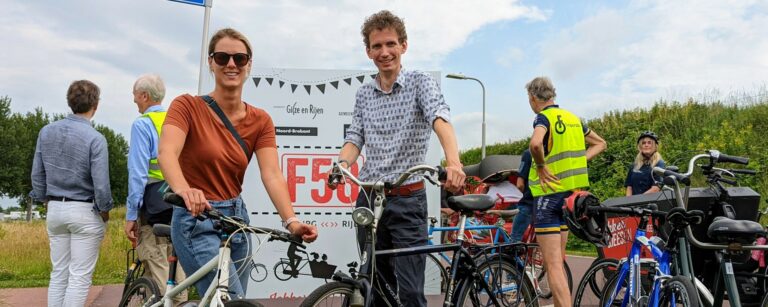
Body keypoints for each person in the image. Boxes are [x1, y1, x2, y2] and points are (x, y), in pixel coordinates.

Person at [157, 28, 318, 298]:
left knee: (235, 298)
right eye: (222, 57)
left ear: (249, 65)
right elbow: (167, 152)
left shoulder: (260, 120)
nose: (231, 64)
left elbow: (272, 175)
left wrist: (291, 221)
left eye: (239, 59)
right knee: (229, 299)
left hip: (236, 220)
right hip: (194, 216)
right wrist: (185, 190)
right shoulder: (187, 106)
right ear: (211, 62)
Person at [330, 10, 465, 307]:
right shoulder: (364, 93)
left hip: (407, 200)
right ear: (368, 51)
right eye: (377, 46)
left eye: (390, 44)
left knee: (411, 293)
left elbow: (440, 119)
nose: (384, 52)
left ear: (404, 45)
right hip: (369, 199)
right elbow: (355, 137)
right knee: (375, 288)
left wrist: (453, 162)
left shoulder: (420, 83)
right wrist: (341, 164)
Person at [30, 80, 113, 307]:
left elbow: (37, 174)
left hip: (55, 208)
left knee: (59, 274)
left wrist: (45, 200)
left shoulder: (46, 132)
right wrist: (105, 211)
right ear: (95, 105)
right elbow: (101, 184)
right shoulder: (96, 139)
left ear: (70, 101)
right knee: (79, 277)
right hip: (84, 209)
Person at [525, 76, 606, 307]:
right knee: (559, 262)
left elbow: (535, 144)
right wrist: (579, 162)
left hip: (548, 196)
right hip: (572, 198)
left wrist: (541, 166)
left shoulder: (543, 117)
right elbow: (601, 143)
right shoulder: (574, 119)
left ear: (533, 97)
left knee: (552, 265)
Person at [124, 74, 187, 303]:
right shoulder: (176, 121)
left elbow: (138, 173)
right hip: (179, 200)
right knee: (176, 258)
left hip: (153, 206)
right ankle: (180, 299)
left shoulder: (142, 125)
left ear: (144, 95)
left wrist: (131, 214)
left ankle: (172, 302)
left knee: (155, 258)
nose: (134, 101)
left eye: (134, 96)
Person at [625, 131, 665, 196]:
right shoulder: (634, 165)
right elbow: (629, 187)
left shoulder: (659, 164)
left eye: (649, 143)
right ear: (640, 146)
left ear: (655, 146)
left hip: (651, 202)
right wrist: (628, 202)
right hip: (633, 203)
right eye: (643, 143)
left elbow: (656, 188)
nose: (646, 145)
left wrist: (638, 200)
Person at [509, 149, 533, 242]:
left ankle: (513, 255)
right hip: (547, 202)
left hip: (529, 202)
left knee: (515, 237)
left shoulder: (529, 153)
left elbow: (520, 184)